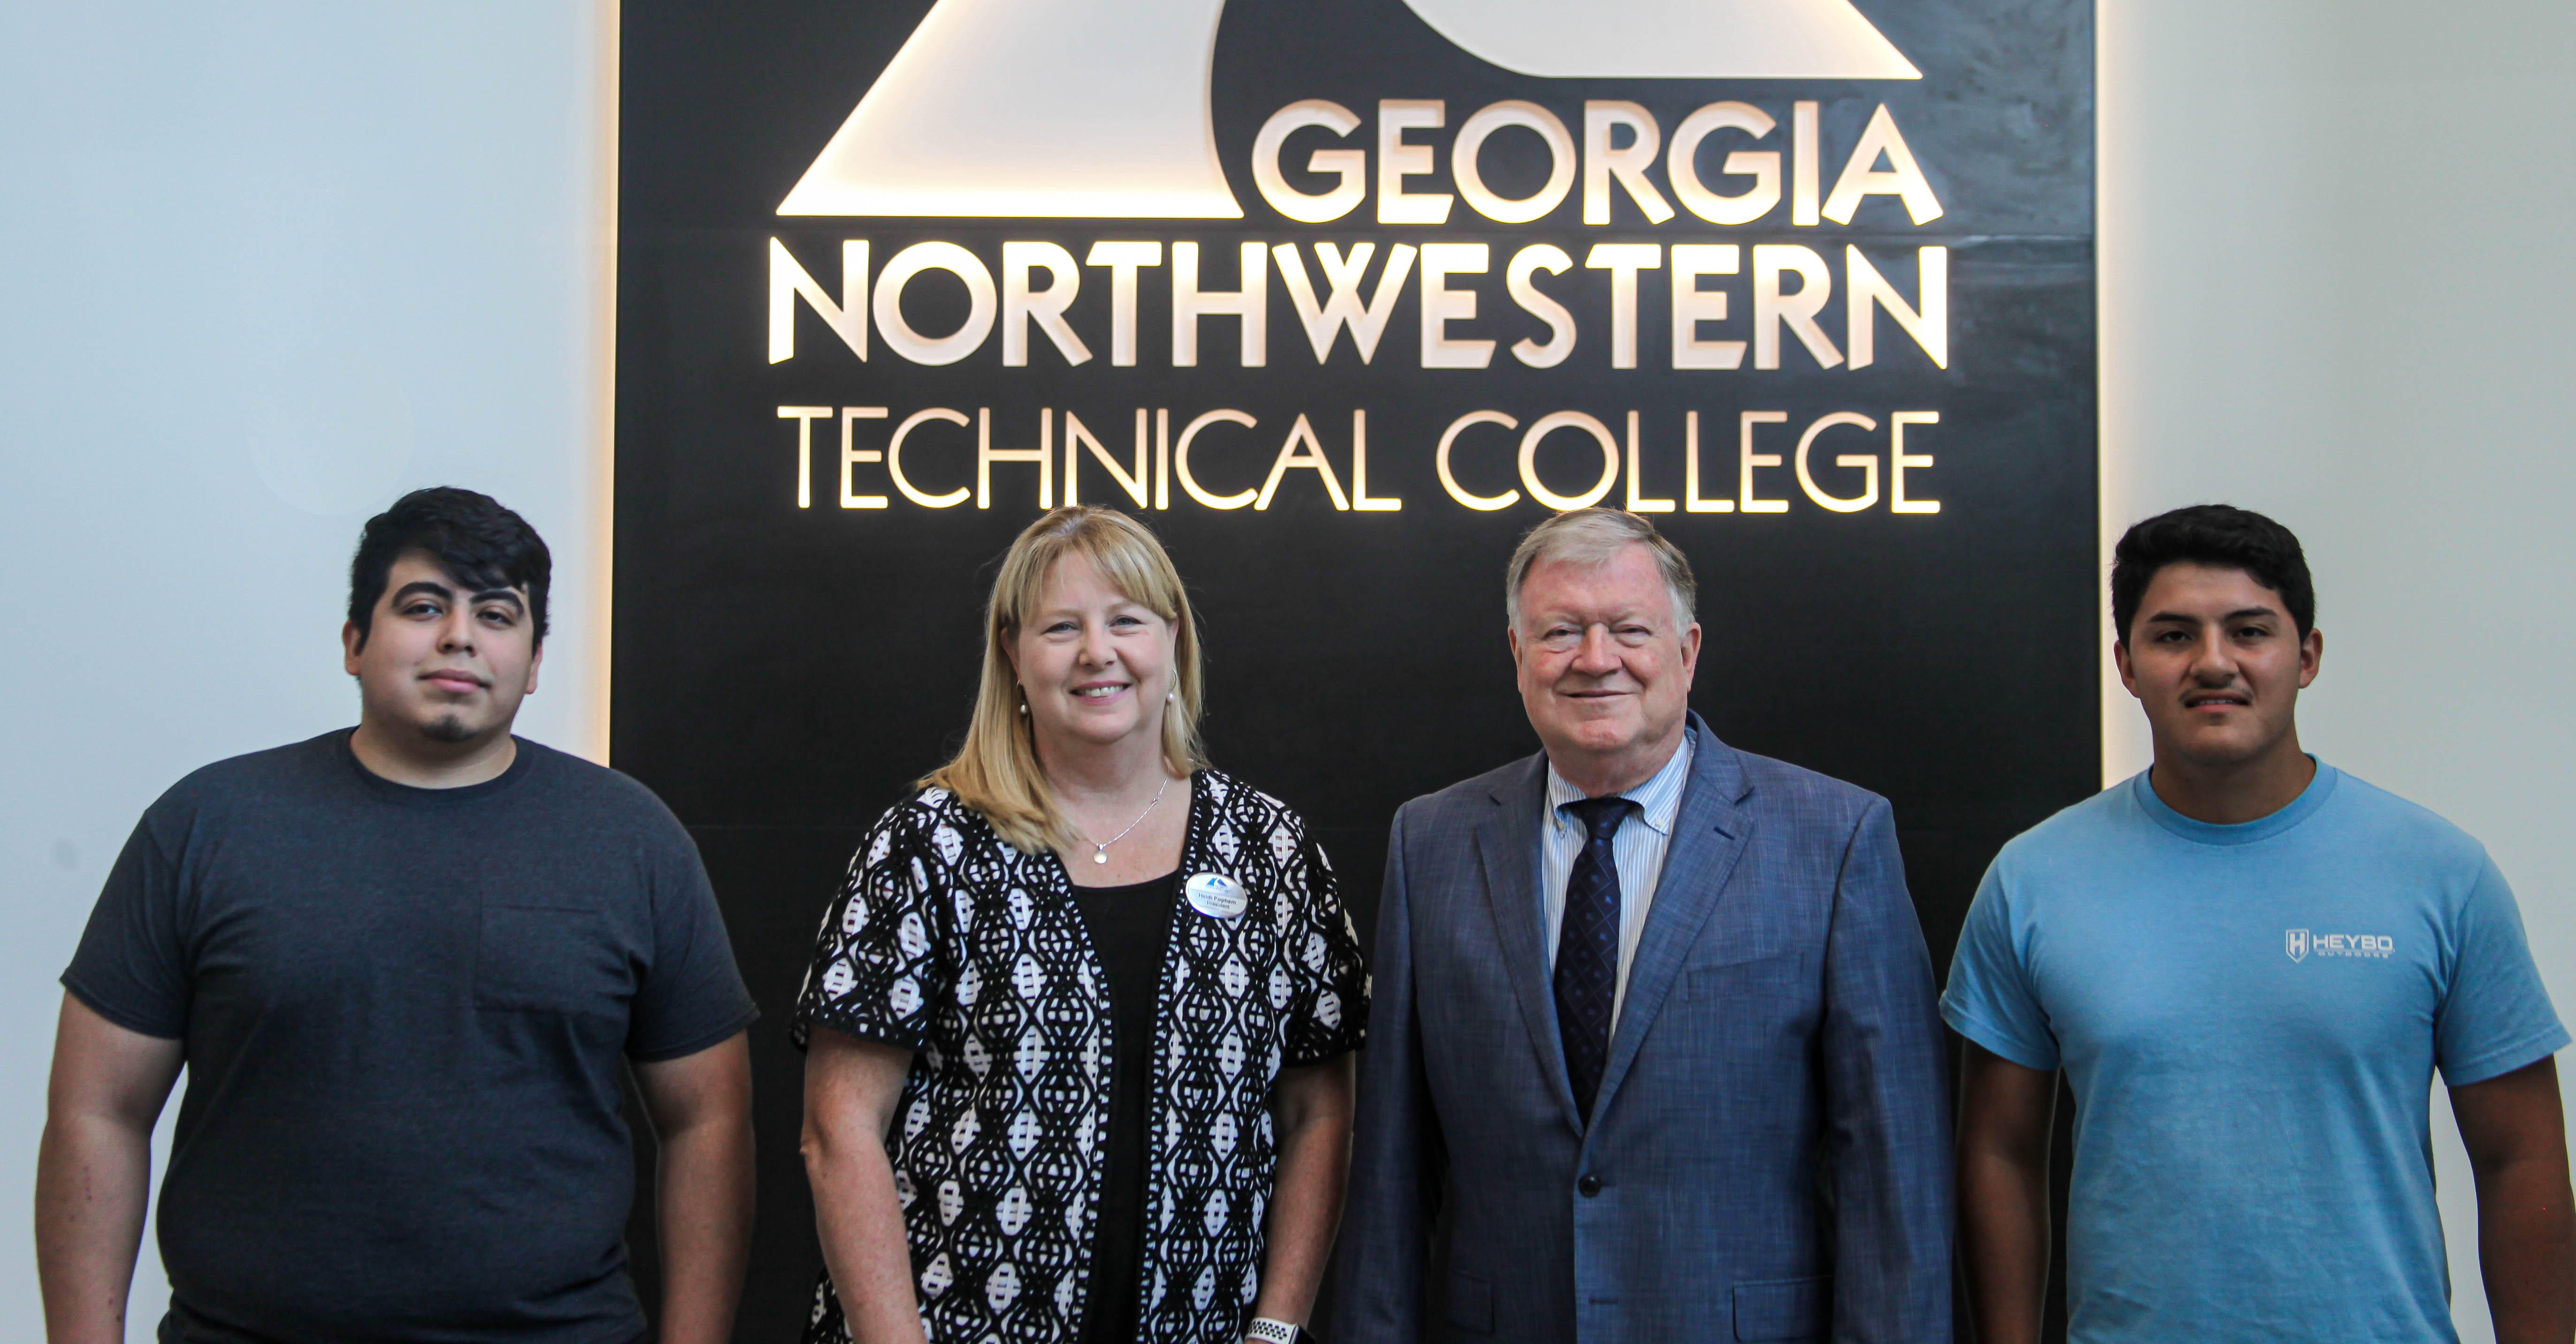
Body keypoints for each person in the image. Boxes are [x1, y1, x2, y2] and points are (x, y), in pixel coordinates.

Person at [36, 487, 759, 1344]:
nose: (460, 635)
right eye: (424, 606)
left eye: (497, 614)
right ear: (353, 641)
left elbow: (709, 1122)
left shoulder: (632, 839)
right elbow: (99, 1113)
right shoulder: (206, 825)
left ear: (532, 663)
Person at [1946, 504, 2576, 1344]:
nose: (2214, 662)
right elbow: (1999, 1152)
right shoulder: (2033, 879)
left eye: (2250, 631)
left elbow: (2521, 1159)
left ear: (2307, 656)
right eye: (2173, 636)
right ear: (2127, 665)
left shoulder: (2439, 872)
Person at [1333, 507, 1952, 1344]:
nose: (1596, 659)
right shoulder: (1431, 842)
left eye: (1629, 629)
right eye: (1560, 632)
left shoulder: (1834, 837)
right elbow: (1393, 1170)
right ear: (1518, 654)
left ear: (1688, 651)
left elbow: (1895, 1175)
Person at [794, 505, 1365, 1344]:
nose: (1099, 652)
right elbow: (838, 1131)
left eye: (1126, 621)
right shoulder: (930, 843)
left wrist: (1276, 1330)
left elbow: (1320, 1113)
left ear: (1172, 643)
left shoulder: (1269, 849)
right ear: (1013, 658)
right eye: (1062, 627)